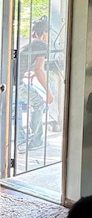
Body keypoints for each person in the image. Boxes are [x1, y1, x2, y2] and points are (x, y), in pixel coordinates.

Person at [17, 15, 53, 152]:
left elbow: (21, 62)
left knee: (15, 108)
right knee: (39, 104)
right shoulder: (41, 45)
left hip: (9, 81)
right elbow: (39, 70)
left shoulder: (29, 42)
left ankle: (22, 139)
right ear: (44, 33)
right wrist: (49, 93)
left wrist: (25, 73)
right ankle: (35, 141)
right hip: (16, 83)